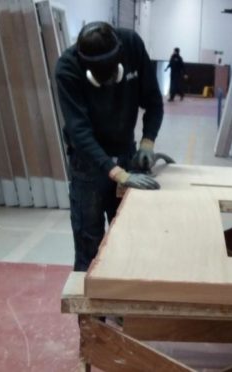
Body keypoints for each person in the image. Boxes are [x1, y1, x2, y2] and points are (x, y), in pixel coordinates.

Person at [55, 21, 164, 271]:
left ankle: (120, 305)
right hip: (88, 164)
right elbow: (78, 131)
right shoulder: (68, 68)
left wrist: (147, 143)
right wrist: (116, 173)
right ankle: (92, 308)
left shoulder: (132, 46)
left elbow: (154, 102)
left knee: (126, 238)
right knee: (88, 244)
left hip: (125, 152)